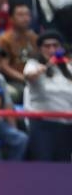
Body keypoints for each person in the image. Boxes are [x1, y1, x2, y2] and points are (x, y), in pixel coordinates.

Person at [23, 31, 72, 161]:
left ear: (61, 48)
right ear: (40, 49)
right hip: (43, 126)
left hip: (66, 126)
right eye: (47, 46)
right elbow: (29, 76)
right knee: (43, 168)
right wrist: (45, 67)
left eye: (55, 46)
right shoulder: (33, 64)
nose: (51, 49)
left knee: (63, 169)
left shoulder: (69, 68)